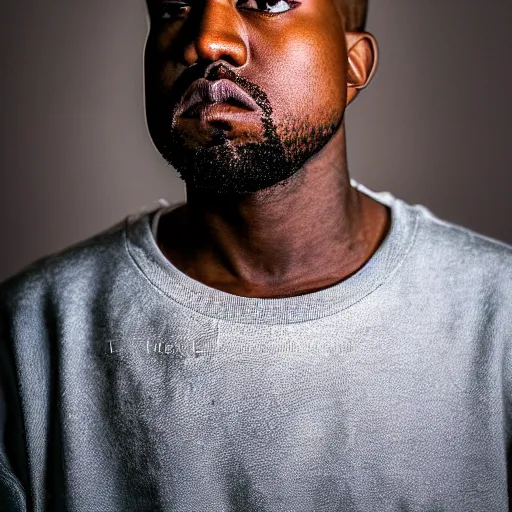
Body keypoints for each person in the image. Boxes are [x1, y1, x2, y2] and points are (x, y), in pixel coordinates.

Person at [0, 0, 510, 509]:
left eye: (270, 2)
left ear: (353, 63)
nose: (207, 40)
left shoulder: (499, 317)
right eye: (176, 8)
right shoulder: (28, 334)